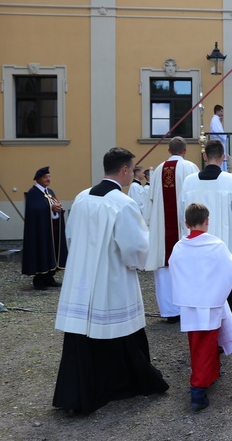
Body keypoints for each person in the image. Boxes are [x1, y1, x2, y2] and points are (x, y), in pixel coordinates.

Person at [53, 147, 169, 415]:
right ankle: (121, 382)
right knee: (117, 328)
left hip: (81, 277)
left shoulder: (82, 197)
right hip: (111, 277)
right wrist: (137, 265)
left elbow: (70, 236)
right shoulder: (123, 203)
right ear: (125, 170)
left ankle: (78, 392)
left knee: (83, 332)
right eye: (132, 169)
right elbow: (135, 247)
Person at [168, 203, 232, 410]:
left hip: (190, 304)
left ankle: (209, 376)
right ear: (207, 221)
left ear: (186, 223)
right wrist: (218, 293)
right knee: (208, 343)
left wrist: (186, 293)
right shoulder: (216, 245)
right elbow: (229, 270)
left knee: (197, 344)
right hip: (210, 302)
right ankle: (198, 389)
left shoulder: (179, 247)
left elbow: (174, 270)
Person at [182, 139, 232, 316]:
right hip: (224, 247)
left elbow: (182, 214)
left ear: (204, 156)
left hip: (196, 248)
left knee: (199, 290)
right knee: (225, 294)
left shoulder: (189, 182)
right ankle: (225, 337)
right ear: (223, 157)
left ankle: (201, 330)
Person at [146, 136, 200, 323]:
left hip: (162, 228)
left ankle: (169, 312)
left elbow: (150, 199)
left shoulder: (158, 170)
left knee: (163, 266)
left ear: (168, 150)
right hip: (184, 225)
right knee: (184, 267)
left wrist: (149, 223)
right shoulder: (191, 168)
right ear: (185, 150)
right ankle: (186, 308)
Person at [22, 166, 68, 290]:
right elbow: (34, 209)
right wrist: (50, 208)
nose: (48, 179)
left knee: (52, 252)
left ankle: (49, 276)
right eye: (45, 177)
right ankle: (39, 279)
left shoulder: (49, 192)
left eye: (49, 176)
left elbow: (52, 205)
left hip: (52, 230)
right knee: (42, 250)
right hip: (40, 231)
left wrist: (58, 207)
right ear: (38, 179)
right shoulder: (33, 193)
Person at [209, 105, 228, 172]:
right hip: (218, 143)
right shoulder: (215, 119)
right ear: (217, 111)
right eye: (221, 111)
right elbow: (218, 131)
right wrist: (225, 136)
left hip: (219, 142)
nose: (222, 113)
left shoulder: (217, 120)